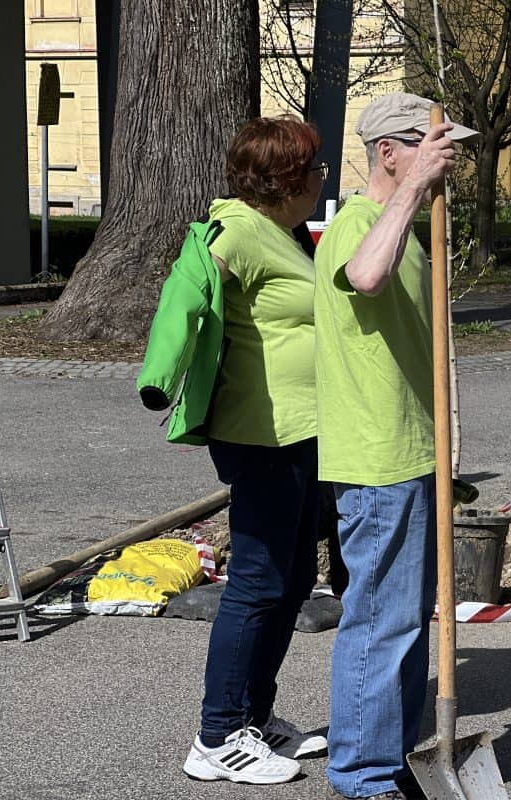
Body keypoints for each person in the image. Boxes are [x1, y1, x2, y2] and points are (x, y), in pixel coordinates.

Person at [313, 93, 478, 800]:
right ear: (389, 152)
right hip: (378, 460)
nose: (446, 159)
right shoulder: (358, 226)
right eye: (428, 146)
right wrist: (414, 189)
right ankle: (361, 774)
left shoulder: (408, 232)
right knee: (381, 622)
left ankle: (395, 758)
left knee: (407, 623)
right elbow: (364, 276)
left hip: (416, 454)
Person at [180, 115, 329, 784]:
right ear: (285, 180)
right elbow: (188, 294)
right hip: (260, 431)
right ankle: (216, 737)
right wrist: (166, 372)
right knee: (257, 581)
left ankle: (253, 717)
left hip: (301, 431)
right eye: (314, 168)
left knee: (292, 581)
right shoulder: (238, 229)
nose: (322, 177)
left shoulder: (285, 233)